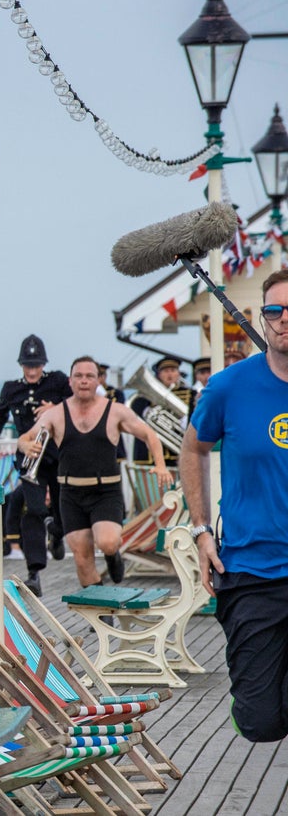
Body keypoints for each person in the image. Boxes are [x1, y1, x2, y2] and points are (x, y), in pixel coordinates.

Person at [180, 269, 288, 743]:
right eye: (275, 311)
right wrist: (202, 529)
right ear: (262, 319)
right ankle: (255, 706)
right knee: (261, 721)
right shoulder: (227, 387)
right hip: (251, 569)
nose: (285, 319)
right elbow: (193, 449)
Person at [19, 356, 173, 589]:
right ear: (70, 381)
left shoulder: (115, 411)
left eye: (90, 376)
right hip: (70, 493)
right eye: (78, 376)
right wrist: (26, 446)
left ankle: (113, 556)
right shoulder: (57, 413)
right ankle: (101, 611)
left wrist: (160, 465)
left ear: (98, 380)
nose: (84, 381)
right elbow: (25, 438)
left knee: (108, 542)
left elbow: (149, 435)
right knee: (82, 558)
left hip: (105, 491)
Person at [0, 334, 72, 593]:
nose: (33, 370)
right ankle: (34, 571)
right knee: (34, 511)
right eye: (28, 365)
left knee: (61, 512)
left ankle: (57, 532)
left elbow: (80, 405)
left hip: (58, 457)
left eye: (36, 365)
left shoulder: (58, 382)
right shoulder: (11, 389)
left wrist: (56, 407)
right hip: (29, 459)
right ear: (21, 365)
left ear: (44, 364)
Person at [129, 355, 191, 466]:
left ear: (178, 373)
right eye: (166, 371)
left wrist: (186, 419)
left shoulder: (189, 393)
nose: (170, 374)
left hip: (177, 452)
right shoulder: (147, 394)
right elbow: (135, 405)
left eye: (173, 370)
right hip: (150, 454)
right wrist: (147, 412)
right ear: (159, 375)